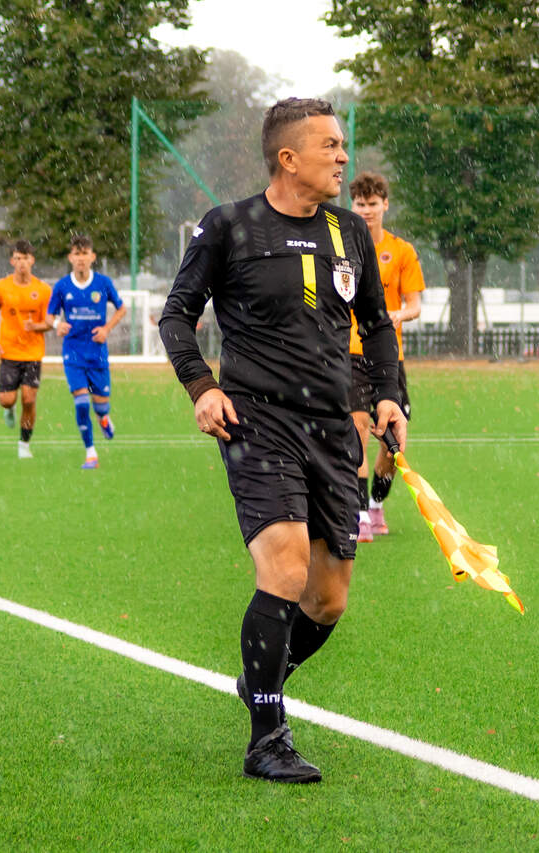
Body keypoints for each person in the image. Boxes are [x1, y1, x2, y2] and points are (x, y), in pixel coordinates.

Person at [159, 97, 406, 784]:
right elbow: (177, 316)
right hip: (257, 422)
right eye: (330, 145)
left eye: (343, 144)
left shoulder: (349, 232)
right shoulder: (227, 226)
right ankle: (267, 737)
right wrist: (202, 387)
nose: (343, 156)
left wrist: (389, 395)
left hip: (334, 428)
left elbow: (376, 324)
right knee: (286, 567)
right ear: (288, 158)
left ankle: (261, 679)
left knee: (327, 599)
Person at [347, 172, 424, 540]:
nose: (366, 210)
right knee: (358, 429)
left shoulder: (402, 252)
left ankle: (376, 504)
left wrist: (398, 315)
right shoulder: (341, 248)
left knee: (391, 443)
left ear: (385, 205)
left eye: (373, 204)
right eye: (360, 204)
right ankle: (360, 514)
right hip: (350, 353)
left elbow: (415, 305)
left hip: (389, 357)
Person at [46, 234, 126, 469]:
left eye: (84, 254)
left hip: (97, 353)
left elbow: (121, 309)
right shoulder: (62, 286)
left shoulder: (103, 283)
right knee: (81, 403)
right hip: (73, 353)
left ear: (93, 257)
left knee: (100, 405)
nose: (81, 258)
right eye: (76, 254)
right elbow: (49, 316)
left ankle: (103, 417)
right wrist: (57, 324)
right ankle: (91, 453)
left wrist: (106, 329)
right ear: (70, 257)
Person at [0, 240, 53, 458]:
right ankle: (9, 409)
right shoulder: (2, 287)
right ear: (12, 261)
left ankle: (24, 445)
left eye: (25, 258)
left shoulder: (43, 290)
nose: (22, 262)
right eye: (18, 258)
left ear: (32, 260)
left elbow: (49, 322)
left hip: (33, 354)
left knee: (29, 399)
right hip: (9, 352)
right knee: (6, 400)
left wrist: (36, 326)